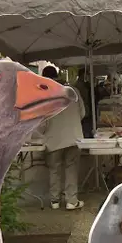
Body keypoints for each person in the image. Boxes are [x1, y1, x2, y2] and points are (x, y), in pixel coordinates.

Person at [38, 66, 85, 210]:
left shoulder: (44, 96)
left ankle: (55, 201)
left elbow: (42, 123)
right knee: (71, 168)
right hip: (73, 136)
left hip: (53, 138)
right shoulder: (73, 91)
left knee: (54, 169)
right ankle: (71, 201)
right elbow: (82, 113)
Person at [75, 68, 96, 138]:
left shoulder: (84, 84)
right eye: (86, 74)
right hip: (84, 110)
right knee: (86, 129)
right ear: (82, 75)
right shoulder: (78, 85)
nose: (88, 76)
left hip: (86, 109)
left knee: (88, 128)